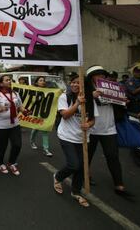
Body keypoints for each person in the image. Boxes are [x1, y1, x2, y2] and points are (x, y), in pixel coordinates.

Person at [85, 66, 132, 197]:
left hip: (109, 128)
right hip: (91, 128)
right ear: (91, 77)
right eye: (97, 74)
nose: (101, 76)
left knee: (112, 156)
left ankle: (119, 184)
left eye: (102, 74)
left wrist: (124, 101)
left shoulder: (112, 87)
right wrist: (91, 96)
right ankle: (86, 175)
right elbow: (79, 103)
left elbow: (121, 103)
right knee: (87, 155)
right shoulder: (85, 89)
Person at [53, 73, 96, 208]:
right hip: (66, 136)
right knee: (73, 164)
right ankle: (58, 177)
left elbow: (93, 119)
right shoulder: (64, 97)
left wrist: (88, 124)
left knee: (81, 168)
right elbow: (65, 115)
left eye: (78, 83)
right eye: (73, 82)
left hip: (82, 138)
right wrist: (77, 103)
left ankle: (76, 192)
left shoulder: (90, 100)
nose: (75, 85)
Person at [0, 75, 30, 175]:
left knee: (17, 145)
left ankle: (12, 162)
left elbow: (19, 106)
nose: (9, 81)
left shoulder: (15, 93)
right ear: (1, 83)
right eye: (7, 80)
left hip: (14, 124)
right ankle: (0, 163)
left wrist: (24, 111)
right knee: (3, 146)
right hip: (0, 126)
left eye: (10, 80)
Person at [30, 76, 53, 157]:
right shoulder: (33, 91)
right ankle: (32, 141)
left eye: (43, 80)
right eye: (40, 80)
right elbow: (31, 101)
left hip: (45, 114)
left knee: (45, 130)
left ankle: (46, 149)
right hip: (36, 113)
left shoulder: (48, 91)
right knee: (35, 129)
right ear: (36, 83)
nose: (43, 82)